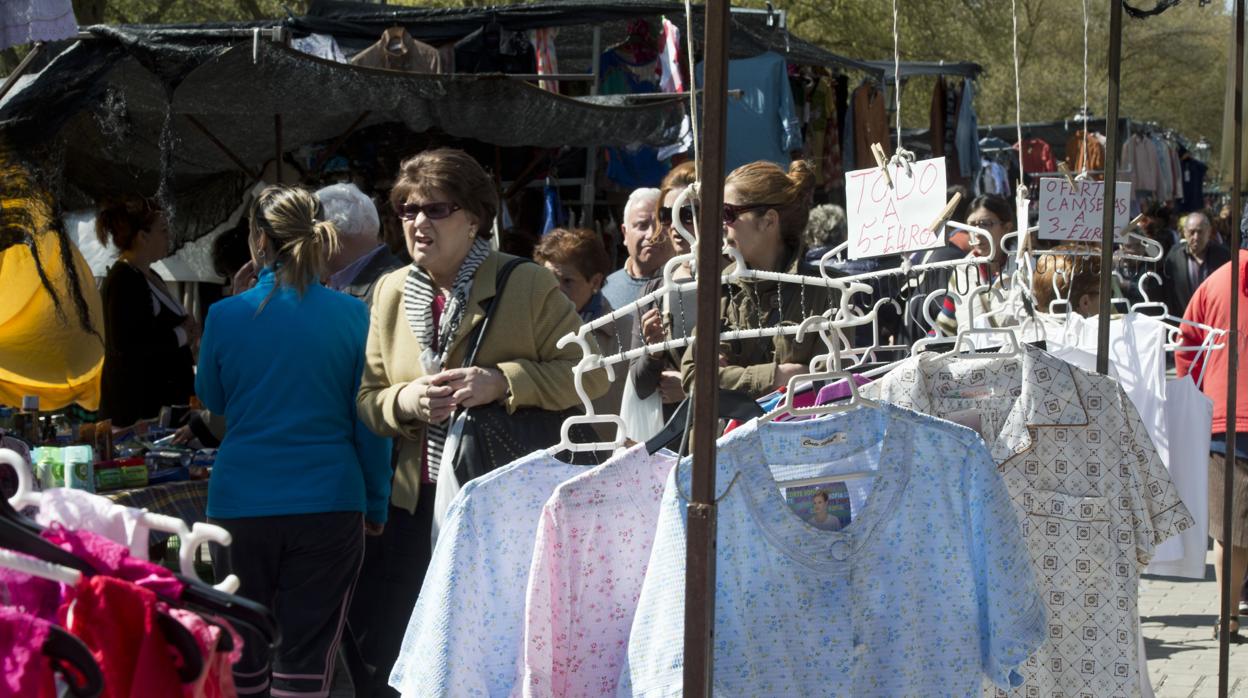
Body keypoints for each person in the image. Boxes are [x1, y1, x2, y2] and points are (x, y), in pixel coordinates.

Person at [354, 148, 604, 695]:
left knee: (490, 652)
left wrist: (504, 381)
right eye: (407, 209)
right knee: (404, 652)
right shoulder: (391, 291)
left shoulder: (529, 283)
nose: (419, 221)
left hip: (498, 504)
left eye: (436, 208)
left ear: (473, 218)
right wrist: (409, 401)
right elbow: (370, 402)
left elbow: (592, 374)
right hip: (413, 505)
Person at [196, 185, 391, 696]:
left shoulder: (225, 315)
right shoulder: (353, 315)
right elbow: (370, 421)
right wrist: (375, 501)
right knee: (307, 657)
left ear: (257, 239)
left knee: (242, 649)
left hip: (240, 502)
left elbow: (213, 400)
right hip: (330, 501)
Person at [679, 159, 829, 399]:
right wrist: (777, 376)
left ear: (768, 221)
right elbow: (693, 378)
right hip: (723, 434)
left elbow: (825, 383)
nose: (721, 226)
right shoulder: (723, 285)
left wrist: (728, 377)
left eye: (727, 214)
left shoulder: (825, 290)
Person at [1175, 249, 1248, 640]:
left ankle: (1228, 616)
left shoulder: (1215, 280)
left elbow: (1186, 345)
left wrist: (1200, 394)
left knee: (1231, 527)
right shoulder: (1218, 280)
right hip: (1229, 415)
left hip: (1225, 415)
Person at [96, 196, 196, 427]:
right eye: (162, 231)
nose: (168, 237)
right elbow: (130, 345)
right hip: (138, 413)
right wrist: (182, 334)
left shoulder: (149, 276)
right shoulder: (123, 279)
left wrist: (186, 331)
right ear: (142, 236)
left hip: (163, 407)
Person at [534, 227, 633, 416]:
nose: (556, 290)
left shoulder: (627, 332)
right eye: (549, 279)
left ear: (595, 282)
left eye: (567, 281)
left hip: (605, 443)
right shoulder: (531, 328)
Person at [628, 162, 697, 430]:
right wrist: (653, 352)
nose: (675, 224)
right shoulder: (654, 290)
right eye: (667, 215)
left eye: (687, 214)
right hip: (670, 436)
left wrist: (692, 386)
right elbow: (640, 385)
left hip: (725, 432)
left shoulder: (733, 280)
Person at [934, 193, 1019, 337]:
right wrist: (922, 349)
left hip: (1017, 356)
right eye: (972, 225)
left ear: (1006, 227)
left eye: (986, 224)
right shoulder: (961, 272)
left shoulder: (1027, 269)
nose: (977, 233)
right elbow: (947, 324)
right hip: (974, 358)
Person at [318, 182, 405, 304]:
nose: (301, 247)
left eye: (311, 236)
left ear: (330, 235)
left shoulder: (392, 289)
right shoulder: (331, 284)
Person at [602, 187, 667, 312]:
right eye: (642, 225)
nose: (652, 235)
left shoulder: (689, 285)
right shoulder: (606, 290)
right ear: (625, 233)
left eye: (660, 225)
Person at [1163, 211, 1232, 317]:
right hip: (1184, 320)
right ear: (1184, 232)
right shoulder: (1174, 256)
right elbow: (1169, 293)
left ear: (1209, 232)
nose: (1196, 237)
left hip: (1214, 320)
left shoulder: (1224, 256)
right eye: (1192, 232)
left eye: (1200, 232)